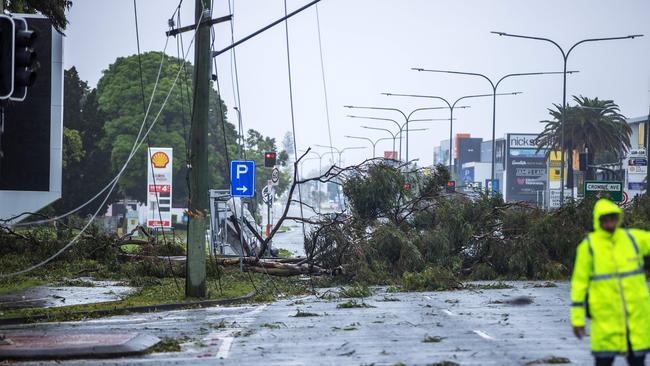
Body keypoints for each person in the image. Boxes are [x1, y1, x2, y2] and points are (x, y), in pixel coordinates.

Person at [571, 198, 650, 366]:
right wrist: (577, 320)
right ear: (598, 221)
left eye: (613, 219)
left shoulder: (633, 239)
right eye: (605, 220)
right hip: (606, 322)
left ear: (618, 218)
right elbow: (579, 285)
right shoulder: (588, 247)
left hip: (635, 320)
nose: (610, 224)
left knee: (638, 362)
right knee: (604, 362)